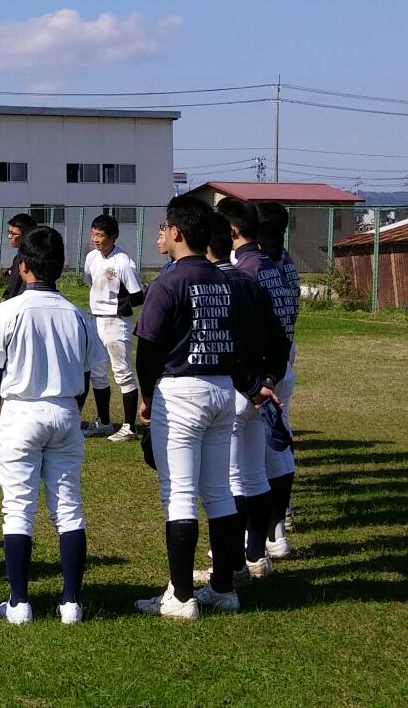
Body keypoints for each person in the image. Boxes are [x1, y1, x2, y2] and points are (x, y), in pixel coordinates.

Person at [0, 225, 97, 626]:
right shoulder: (78, 316)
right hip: (64, 410)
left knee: (18, 509)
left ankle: (19, 602)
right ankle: (70, 603)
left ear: (23, 266)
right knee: (69, 509)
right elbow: (85, 377)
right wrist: (71, 412)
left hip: (20, 412)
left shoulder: (6, 312)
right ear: (60, 268)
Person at [133, 195, 244, 619]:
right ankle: (222, 587)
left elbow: (149, 348)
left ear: (177, 233)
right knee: (218, 492)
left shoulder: (169, 282)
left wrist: (146, 395)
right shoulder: (225, 280)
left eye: (164, 228)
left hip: (181, 391)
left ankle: (180, 597)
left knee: (178, 494)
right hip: (221, 387)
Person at [215, 200, 294, 579]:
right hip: (270, 375)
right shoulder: (274, 265)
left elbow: (235, 340)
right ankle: (261, 551)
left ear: (231, 231)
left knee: (237, 475)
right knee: (259, 469)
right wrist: (269, 378)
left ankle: (236, 561)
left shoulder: (241, 273)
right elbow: (283, 327)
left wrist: (253, 381)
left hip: (249, 382)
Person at [254, 200, 301, 555]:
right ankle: (279, 524)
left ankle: (265, 533)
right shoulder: (287, 264)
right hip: (284, 354)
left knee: (261, 444)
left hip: (268, 361)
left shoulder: (261, 269)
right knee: (279, 432)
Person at [82, 214, 145, 442]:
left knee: (123, 373)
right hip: (95, 319)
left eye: (101, 235)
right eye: (93, 234)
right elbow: (91, 282)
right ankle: (105, 422)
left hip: (116, 323)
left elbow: (138, 296)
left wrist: (116, 307)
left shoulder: (123, 262)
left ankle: (129, 427)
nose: (96, 239)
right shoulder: (91, 257)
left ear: (113, 237)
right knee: (97, 373)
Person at [1, 213, 37, 301]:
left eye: (13, 234)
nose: (9, 237)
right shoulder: (18, 257)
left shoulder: (30, 258)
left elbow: (21, 286)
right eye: (9, 233)